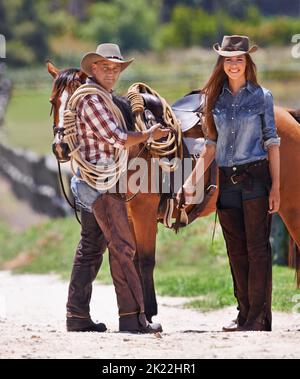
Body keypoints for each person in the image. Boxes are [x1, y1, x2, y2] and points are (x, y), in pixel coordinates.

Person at [178, 35, 280, 332]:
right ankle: (244, 313)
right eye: (228, 59)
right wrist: (190, 181)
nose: (233, 64)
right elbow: (210, 146)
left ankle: (259, 318)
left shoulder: (262, 96)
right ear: (221, 64)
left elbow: (272, 143)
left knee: (257, 248)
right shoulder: (215, 99)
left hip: (256, 177)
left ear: (247, 62)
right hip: (227, 180)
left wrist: (275, 187)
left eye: (238, 59)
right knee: (235, 249)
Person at [67, 43, 168, 333]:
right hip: (101, 184)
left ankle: (76, 316)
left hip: (88, 183)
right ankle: (132, 318)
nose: (111, 73)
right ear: (94, 68)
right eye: (106, 68)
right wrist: (149, 134)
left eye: (115, 69)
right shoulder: (93, 100)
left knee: (90, 249)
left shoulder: (98, 97)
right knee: (124, 248)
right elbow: (118, 138)